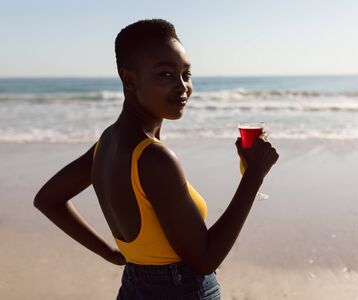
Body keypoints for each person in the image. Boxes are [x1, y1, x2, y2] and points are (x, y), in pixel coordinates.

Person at [34, 19, 279, 299]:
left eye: (186, 74)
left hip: (134, 286)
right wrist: (254, 176)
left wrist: (111, 254)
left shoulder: (108, 142)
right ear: (130, 80)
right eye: (165, 74)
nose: (182, 87)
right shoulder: (154, 158)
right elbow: (206, 260)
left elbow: (47, 199)